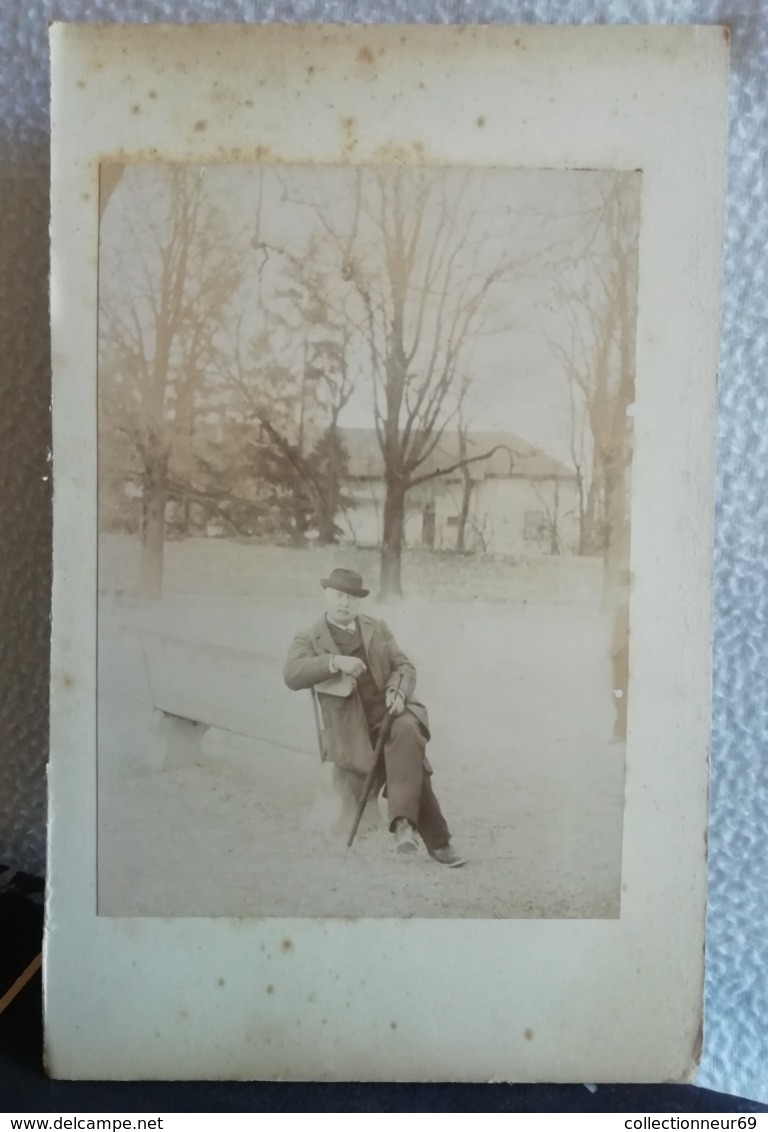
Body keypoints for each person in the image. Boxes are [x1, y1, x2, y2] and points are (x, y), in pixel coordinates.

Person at [283, 567, 464, 867]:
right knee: (410, 754)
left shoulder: (377, 628)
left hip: (389, 718)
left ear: (359, 603)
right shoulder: (310, 637)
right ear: (327, 597)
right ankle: (433, 840)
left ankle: (404, 826)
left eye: (351, 598)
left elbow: (405, 667)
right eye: (339, 596)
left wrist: (397, 693)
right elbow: (291, 674)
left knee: (407, 728)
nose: (345, 604)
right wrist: (333, 661)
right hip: (350, 735)